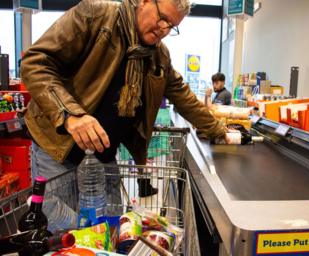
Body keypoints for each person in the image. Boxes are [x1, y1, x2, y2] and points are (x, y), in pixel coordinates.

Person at [21, 0, 229, 198]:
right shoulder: (95, 15)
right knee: (62, 231)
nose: (164, 29)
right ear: (144, 1)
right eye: (162, 18)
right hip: (57, 151)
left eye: (172, 26)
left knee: (111, 230)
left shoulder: (158, 56)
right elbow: (36, 63)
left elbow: (183, 96)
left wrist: (219, 130)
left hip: (103, 155)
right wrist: (69, 114)